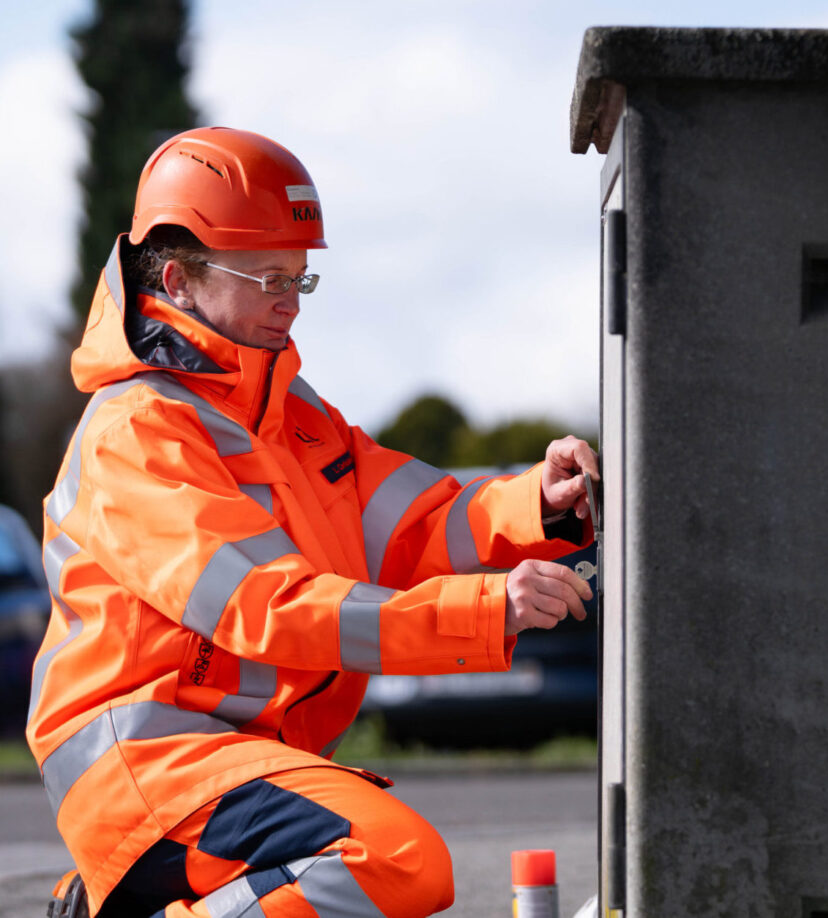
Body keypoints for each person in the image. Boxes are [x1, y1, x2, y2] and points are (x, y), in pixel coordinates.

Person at [25, 126, 597, 918]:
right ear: (178, 279)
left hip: (238, 760)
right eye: (264, 277)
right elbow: (268, 605)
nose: (290, 303)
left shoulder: (292, 414)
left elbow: (414, 519)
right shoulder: (137, 434)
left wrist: (541, 501)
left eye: (300, 277)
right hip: (149, 766)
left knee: (371, 869)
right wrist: (487, 608)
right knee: (392, 861)